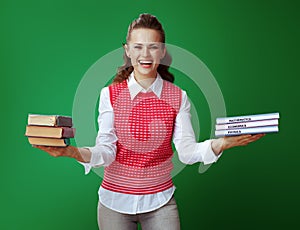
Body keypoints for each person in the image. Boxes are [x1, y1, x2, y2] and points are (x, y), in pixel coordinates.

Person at [35, 13, 264, 230]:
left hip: (160, 202)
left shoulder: (178, 97)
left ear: (162, 51)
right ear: (128, 51)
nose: (145, 54)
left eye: (153, 47)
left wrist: (222, 143)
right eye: (138, 47)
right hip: (113, 203)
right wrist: (71, 152)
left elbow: (186, 152)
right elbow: (106, 151)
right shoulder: (110, 95)